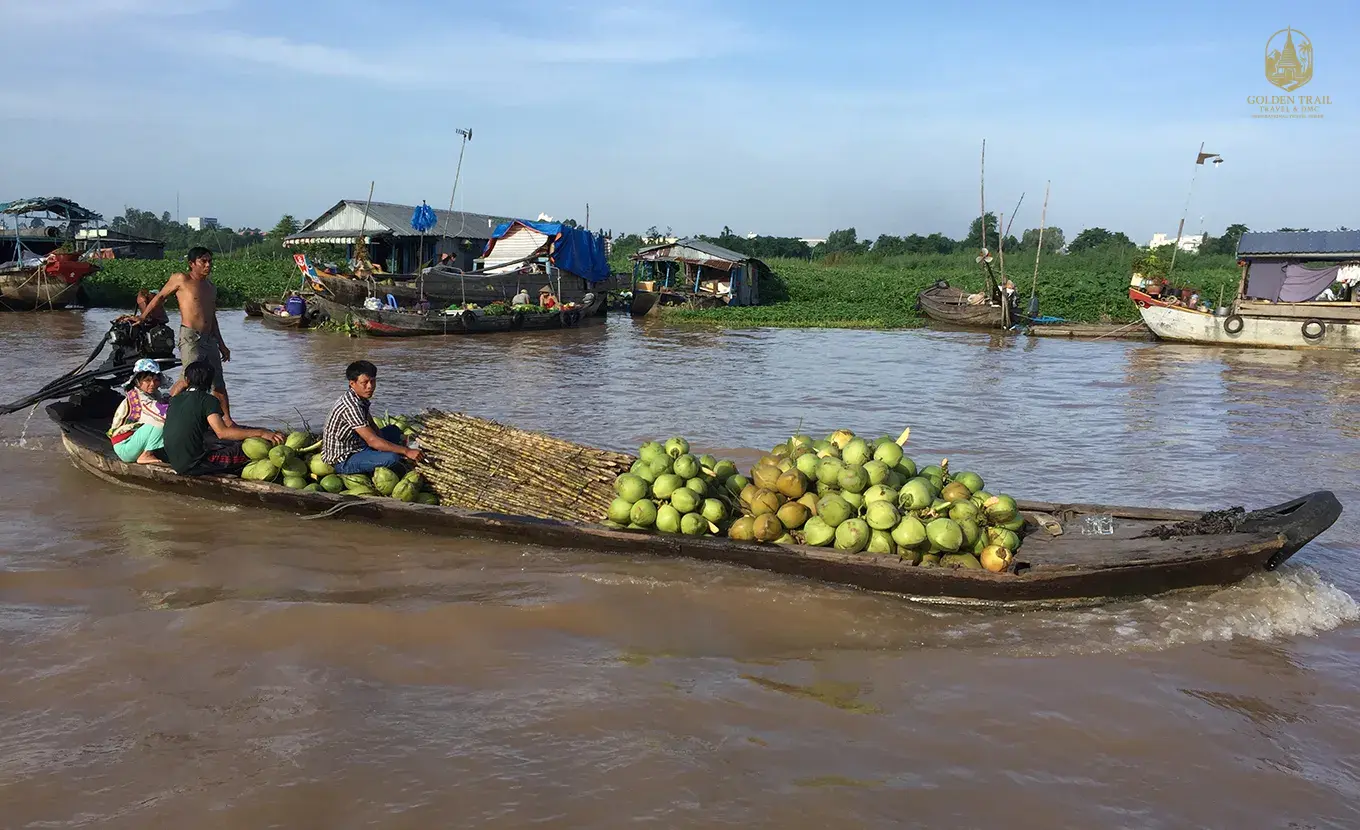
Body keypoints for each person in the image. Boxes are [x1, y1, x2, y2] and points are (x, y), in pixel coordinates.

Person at [133, 247, 236, 426]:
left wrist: (222, 344)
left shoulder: (211, 287)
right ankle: (164, 413)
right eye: (203, 261)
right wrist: (142, 317)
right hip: (190, 336)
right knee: (187, 378)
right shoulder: (181, 279)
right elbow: (159, 297)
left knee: (217, 381)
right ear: (191, 264)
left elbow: (212, 317)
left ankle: (226, 420)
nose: (208, 265)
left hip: (209, 338)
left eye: (210, 261)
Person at [161, 360, 283, 476]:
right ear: (210, 381)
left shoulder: (175, 399)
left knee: (221, 440)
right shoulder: (208, 400)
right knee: (250, 450)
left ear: (187, 380)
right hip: (194, 465)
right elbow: (222, 433)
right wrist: (261, 433)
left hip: (175, 459)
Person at [322, 360, 423, 475]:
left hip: (358, 445)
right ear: (352, 383)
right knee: (392, 458)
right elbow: (372, 441)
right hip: (344, 460)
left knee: (393, 430)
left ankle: (380, 454)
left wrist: (382, 445)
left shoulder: (359, 398)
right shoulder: (351, 406)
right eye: (364, 382)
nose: (370, 386)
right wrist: (406, 451)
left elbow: (372, 425)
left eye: (372, 381)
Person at [107, 358, 170, 464]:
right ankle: (146, 455)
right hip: (125, 446)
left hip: (135, 439)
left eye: (155, 380)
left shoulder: (154, 394)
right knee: (160, 423)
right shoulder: (136, 397)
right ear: (137, 381)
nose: (152, 384)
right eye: (148, 380)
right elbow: (162, 414)